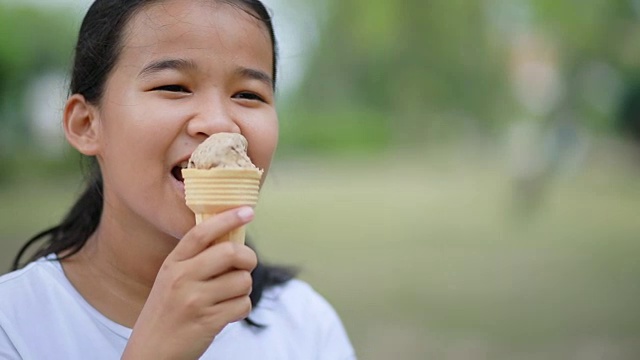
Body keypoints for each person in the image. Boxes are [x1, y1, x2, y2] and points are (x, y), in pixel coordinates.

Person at [0, 1, 356, 359]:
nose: (219, 122)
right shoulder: (13, 326)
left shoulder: (305, 326)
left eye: (248, 94)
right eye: (174, 86)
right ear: (86, 125)